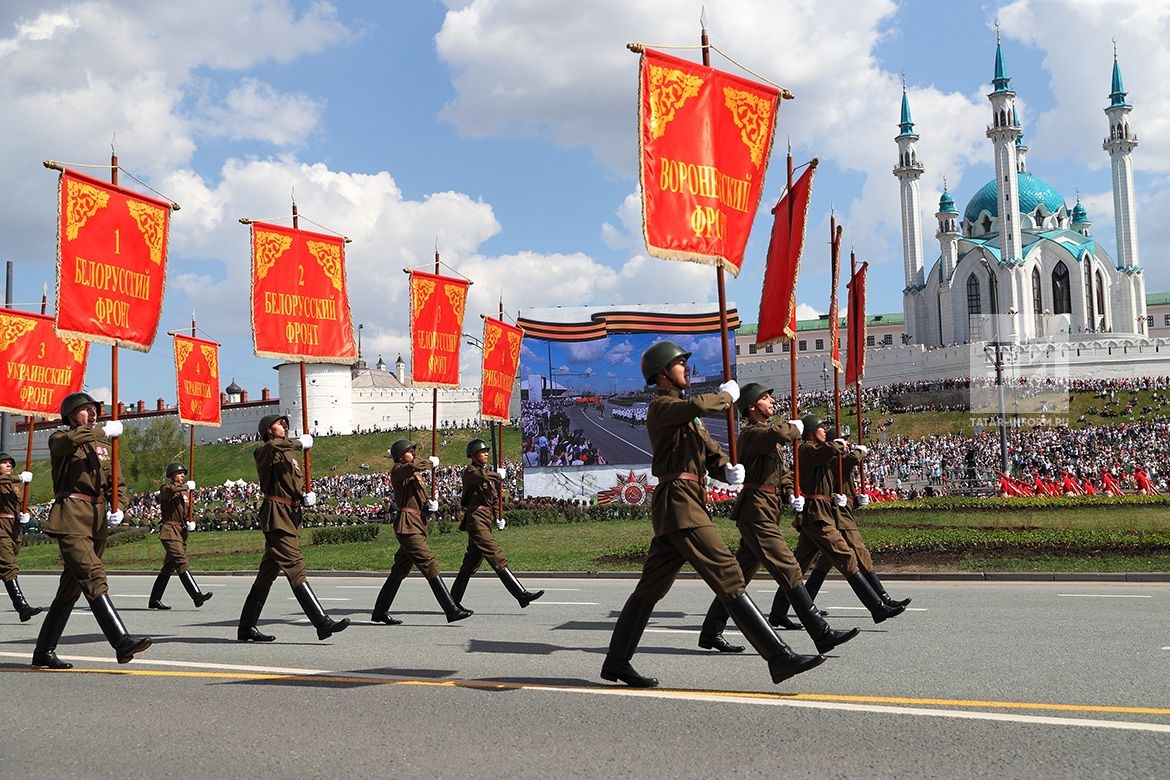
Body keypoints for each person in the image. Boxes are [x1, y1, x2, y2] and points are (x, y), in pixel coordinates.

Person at [600, 342, 824, 689]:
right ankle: (778, 657)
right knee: (729, 574)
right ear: (662, 373)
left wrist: (728, 470)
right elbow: (694, 406)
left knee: (650, 589)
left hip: (685, 503)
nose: (687, 368)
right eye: (680, 364)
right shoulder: (661, 407)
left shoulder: (689, 418)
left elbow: (710, 456)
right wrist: (726, 398)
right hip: (680, 503)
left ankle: (616, 661)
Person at [695, 384, 858, 657]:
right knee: (788, 566)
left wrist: (790, 493)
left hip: (765, 509)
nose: (771, 401)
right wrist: (795, 426)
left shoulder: (765, 437)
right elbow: (780, 432)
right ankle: (820, 631)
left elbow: (780, 473)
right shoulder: (752, 434)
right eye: (764, 398)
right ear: (751, 407)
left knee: (737, 577)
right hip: (756, 511)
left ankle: (711, 631)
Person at [32, 392, 151, 669]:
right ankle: (121, 642)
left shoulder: (104, 446)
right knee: (93, 574)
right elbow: (73, 440)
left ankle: (43, 652)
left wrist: (119, 506)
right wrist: (100, 431)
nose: (94, 413)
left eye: (95, 409)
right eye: (86, 410)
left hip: (96, 521)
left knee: (70, 589)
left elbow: (117, 483)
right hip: (71, 516)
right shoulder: (61, 438)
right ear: (73, 416)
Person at [769, 416, 904, 627]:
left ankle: (778, 613)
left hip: (822, 512)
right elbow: (826, 456)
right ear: (812, 432)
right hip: (816, 515)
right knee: (846, 556)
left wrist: (850, 500)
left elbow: (834, 477)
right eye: (822, 428)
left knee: (795, 567)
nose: (825, 431)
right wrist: (844, 449)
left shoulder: (822, 454)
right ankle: (877, 608)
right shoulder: (806, 449)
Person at [237, 414, 349, 643]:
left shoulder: (290, 455)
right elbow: (275, 448)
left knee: (266, 576)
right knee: (296, 567)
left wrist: (305, 495)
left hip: (289, 515)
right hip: (276, 517)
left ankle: (246, 627)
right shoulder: (264, 451)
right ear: (269, 430)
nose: (285, 425)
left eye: (285, 423)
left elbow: (291, 484)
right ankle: (321, 622)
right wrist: (300, 442)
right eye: (280, 423)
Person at [371, 439, 472, 624]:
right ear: (401, 456)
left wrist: (429, 505)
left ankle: (379, 612)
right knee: (429, 562)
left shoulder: (414, 475)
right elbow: (413, 467)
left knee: (399, 571)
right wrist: (432, 462)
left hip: (416, 524)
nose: (414, 453)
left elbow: (418, 497)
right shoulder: (398, 470)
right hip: (407, 526)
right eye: (410, 451)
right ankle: (451, 610)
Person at [450, 438, 544, 611]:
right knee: (496, 555)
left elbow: (493, 499)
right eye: (482, 451)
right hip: (476, 518)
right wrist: (498, 475)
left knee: (470, 564)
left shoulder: (485, 473)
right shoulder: (470, 471)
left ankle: (452, 602)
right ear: (472, 455)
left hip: (484, 520)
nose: (486, 454)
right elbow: (482, 477)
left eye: (487, 451)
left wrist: (498, 516)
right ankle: (521, 594)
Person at [148, 462, 213, 610]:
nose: (182, 475)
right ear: (171, 475)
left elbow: (190, 510)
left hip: (181, 532)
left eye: (183, 473)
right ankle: (196, 595)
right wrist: (186, 487)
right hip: (169, 530)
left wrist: (192, 520)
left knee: (168, 567)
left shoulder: (186, 493)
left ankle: (154, 600)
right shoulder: (166, 488)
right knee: (181, 560)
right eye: (179, 473)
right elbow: (169, 491)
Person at [0, 451, 41, 622]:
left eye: (10, 463)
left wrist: (24, 515)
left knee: (5, 566)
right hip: (0, 528)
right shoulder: (5, 481)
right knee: (9, 566)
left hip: (14, 529)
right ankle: (22, 607)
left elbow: (19, 504)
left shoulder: (14, 486)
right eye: (4, 462)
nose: (9, 464)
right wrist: (19, 478)